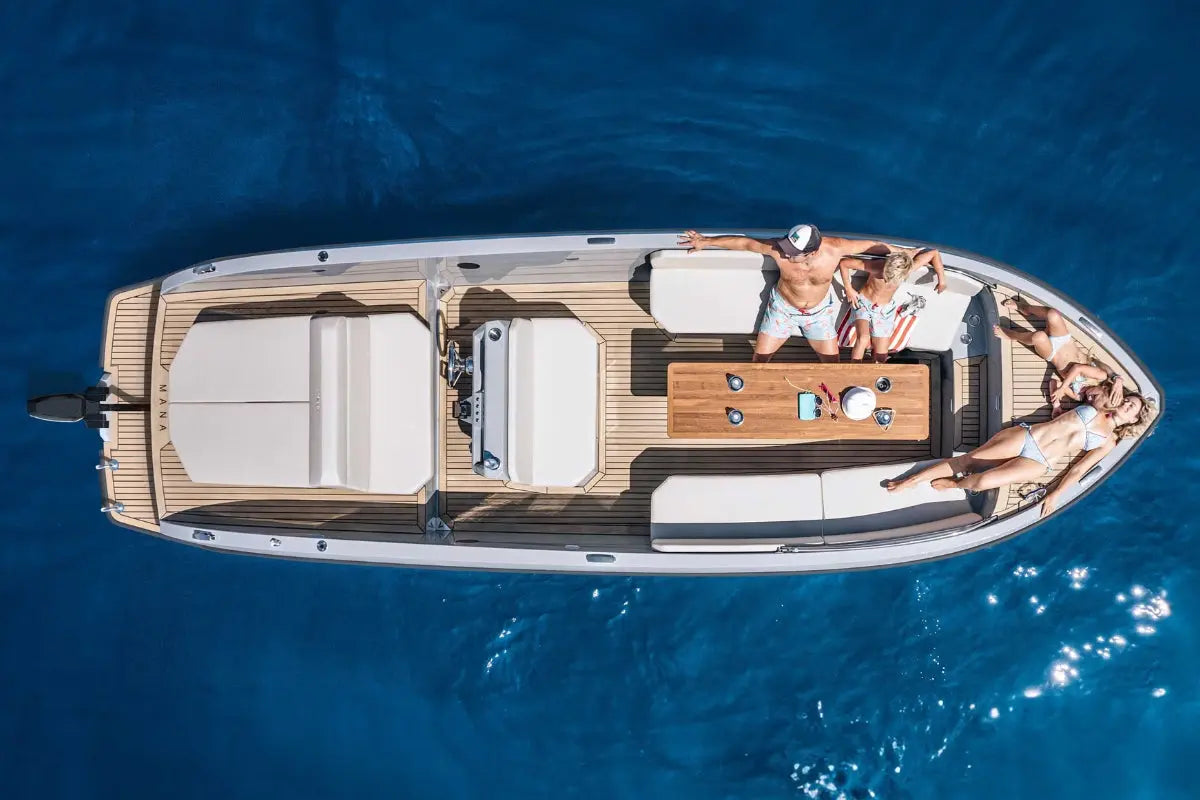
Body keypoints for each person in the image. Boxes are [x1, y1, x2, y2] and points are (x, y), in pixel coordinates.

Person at [885, 391, 1153, 518]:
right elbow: (1100, 376)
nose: (1127, 405)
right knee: (967, 460)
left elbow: (1079, 469)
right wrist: (1116, 381)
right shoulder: (1102, 401)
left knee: (980, 482)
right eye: (1129, 401)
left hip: (1040, 462)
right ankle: (911, 481)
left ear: (1132, 421)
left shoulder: (1108, 442)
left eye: (1132, 408)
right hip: (1029, 436)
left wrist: (1056, 494)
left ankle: (957, 484)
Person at [678, 225, 890, 363]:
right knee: (759, 362)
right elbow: (745, 243)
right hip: (783, 310)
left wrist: (907, 257)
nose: (785, 253)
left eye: (792, 252)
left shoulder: (835, 248)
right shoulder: (778, 249)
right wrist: (706, 242)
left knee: (833, 365)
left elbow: (876, 246)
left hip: (818, 314)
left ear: (812, 252)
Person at [993, 297, 1116, 416]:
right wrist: (1063, 387)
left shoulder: (1078, 396)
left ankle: (1014, 336)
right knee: (1053, 314)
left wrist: (1056, 405)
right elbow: (1078, 368)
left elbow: (1054, 382)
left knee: (1039, 337)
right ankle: (1025, 307)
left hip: (1053, 353)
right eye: (1095, 396)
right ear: (1104, 388)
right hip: (1064, 340)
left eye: (1091, 402)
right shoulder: (1100, 376)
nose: (1089, 397)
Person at [839, 247, 947, 362]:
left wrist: (942, 280)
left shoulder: (909, 268)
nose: (887, 278)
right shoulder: (877, 266)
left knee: (881, 354)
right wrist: (848, 289)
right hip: (864, 303)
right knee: (863, 339)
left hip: (884, 310)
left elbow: (934, 253)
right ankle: (854, 370)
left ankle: (873, 374)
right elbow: (844, 263)